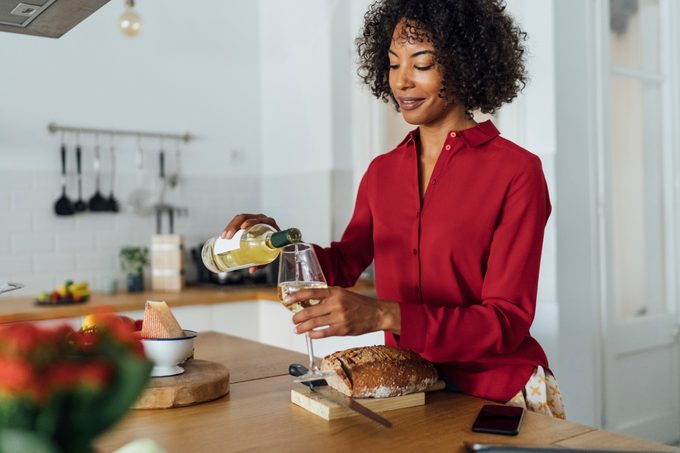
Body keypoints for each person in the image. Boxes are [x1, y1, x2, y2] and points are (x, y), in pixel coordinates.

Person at [222, 0, 565, 419]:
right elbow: (344, 263)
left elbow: (506, 321)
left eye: (422, 63)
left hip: (499, 392)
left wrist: (384, 313)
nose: (402, 81)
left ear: (465, 64)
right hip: (408, 386)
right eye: (392, 63)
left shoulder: (517, 171)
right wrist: (282, 246)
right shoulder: (381, 172)